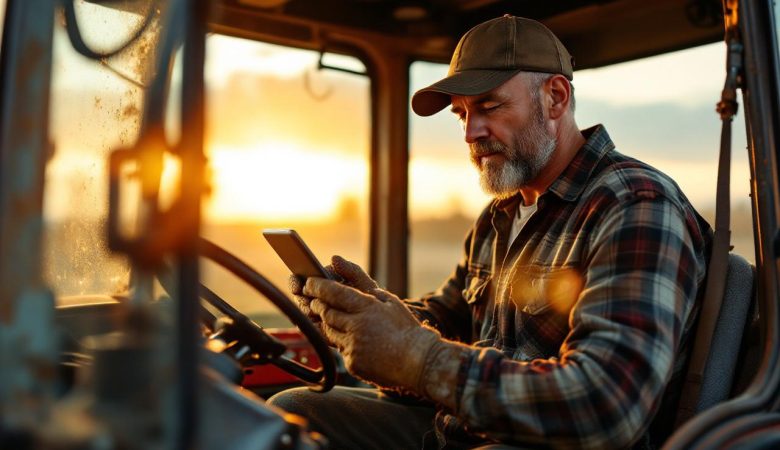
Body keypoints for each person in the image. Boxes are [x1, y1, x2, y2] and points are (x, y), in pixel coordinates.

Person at [268, 14, 711, 450]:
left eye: (489, 106)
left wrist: (419, 359)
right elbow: (449, 321)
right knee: (291, 412)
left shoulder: (635, 204)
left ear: (555, 98)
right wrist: (368, 311)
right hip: (462, 430)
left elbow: (606, 407)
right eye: (461, 114)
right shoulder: (499, 216)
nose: (470, 133)